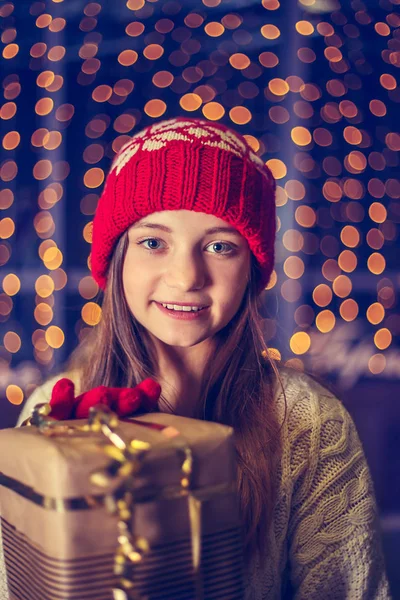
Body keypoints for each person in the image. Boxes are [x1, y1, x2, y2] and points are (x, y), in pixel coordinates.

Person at [2, 117, 391, 599]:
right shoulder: (53, 406)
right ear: (117, 258)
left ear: (252, 266)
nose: (186, 276)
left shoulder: (311, 425)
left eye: (220, 246)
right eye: (152, 242)